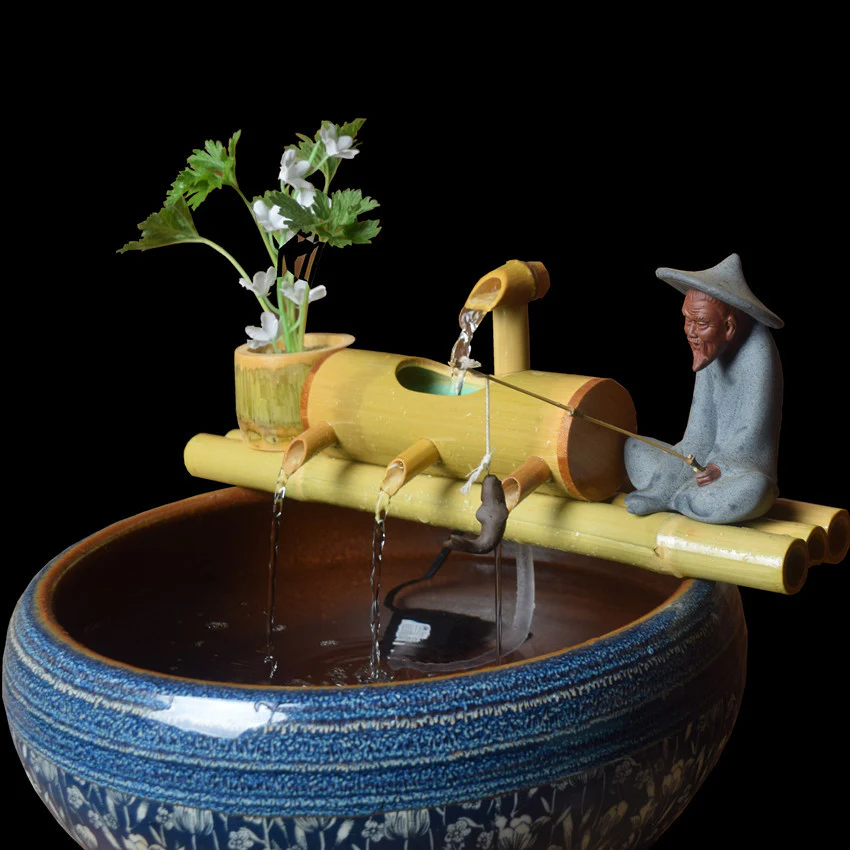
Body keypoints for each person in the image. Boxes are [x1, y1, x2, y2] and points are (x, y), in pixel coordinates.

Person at [623, 253, 784, 524]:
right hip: (700, 465)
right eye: (687, 319)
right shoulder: (710, 349)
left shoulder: (758, 353)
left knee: (755, 490)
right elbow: (699, 428)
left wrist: (719, 467)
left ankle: (674, 498)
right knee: (634, 447)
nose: (690, 332)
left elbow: (752, 432)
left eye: (701, 323)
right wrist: (687, 463)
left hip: (737, 469)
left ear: (729, 326)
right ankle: (676, 495)